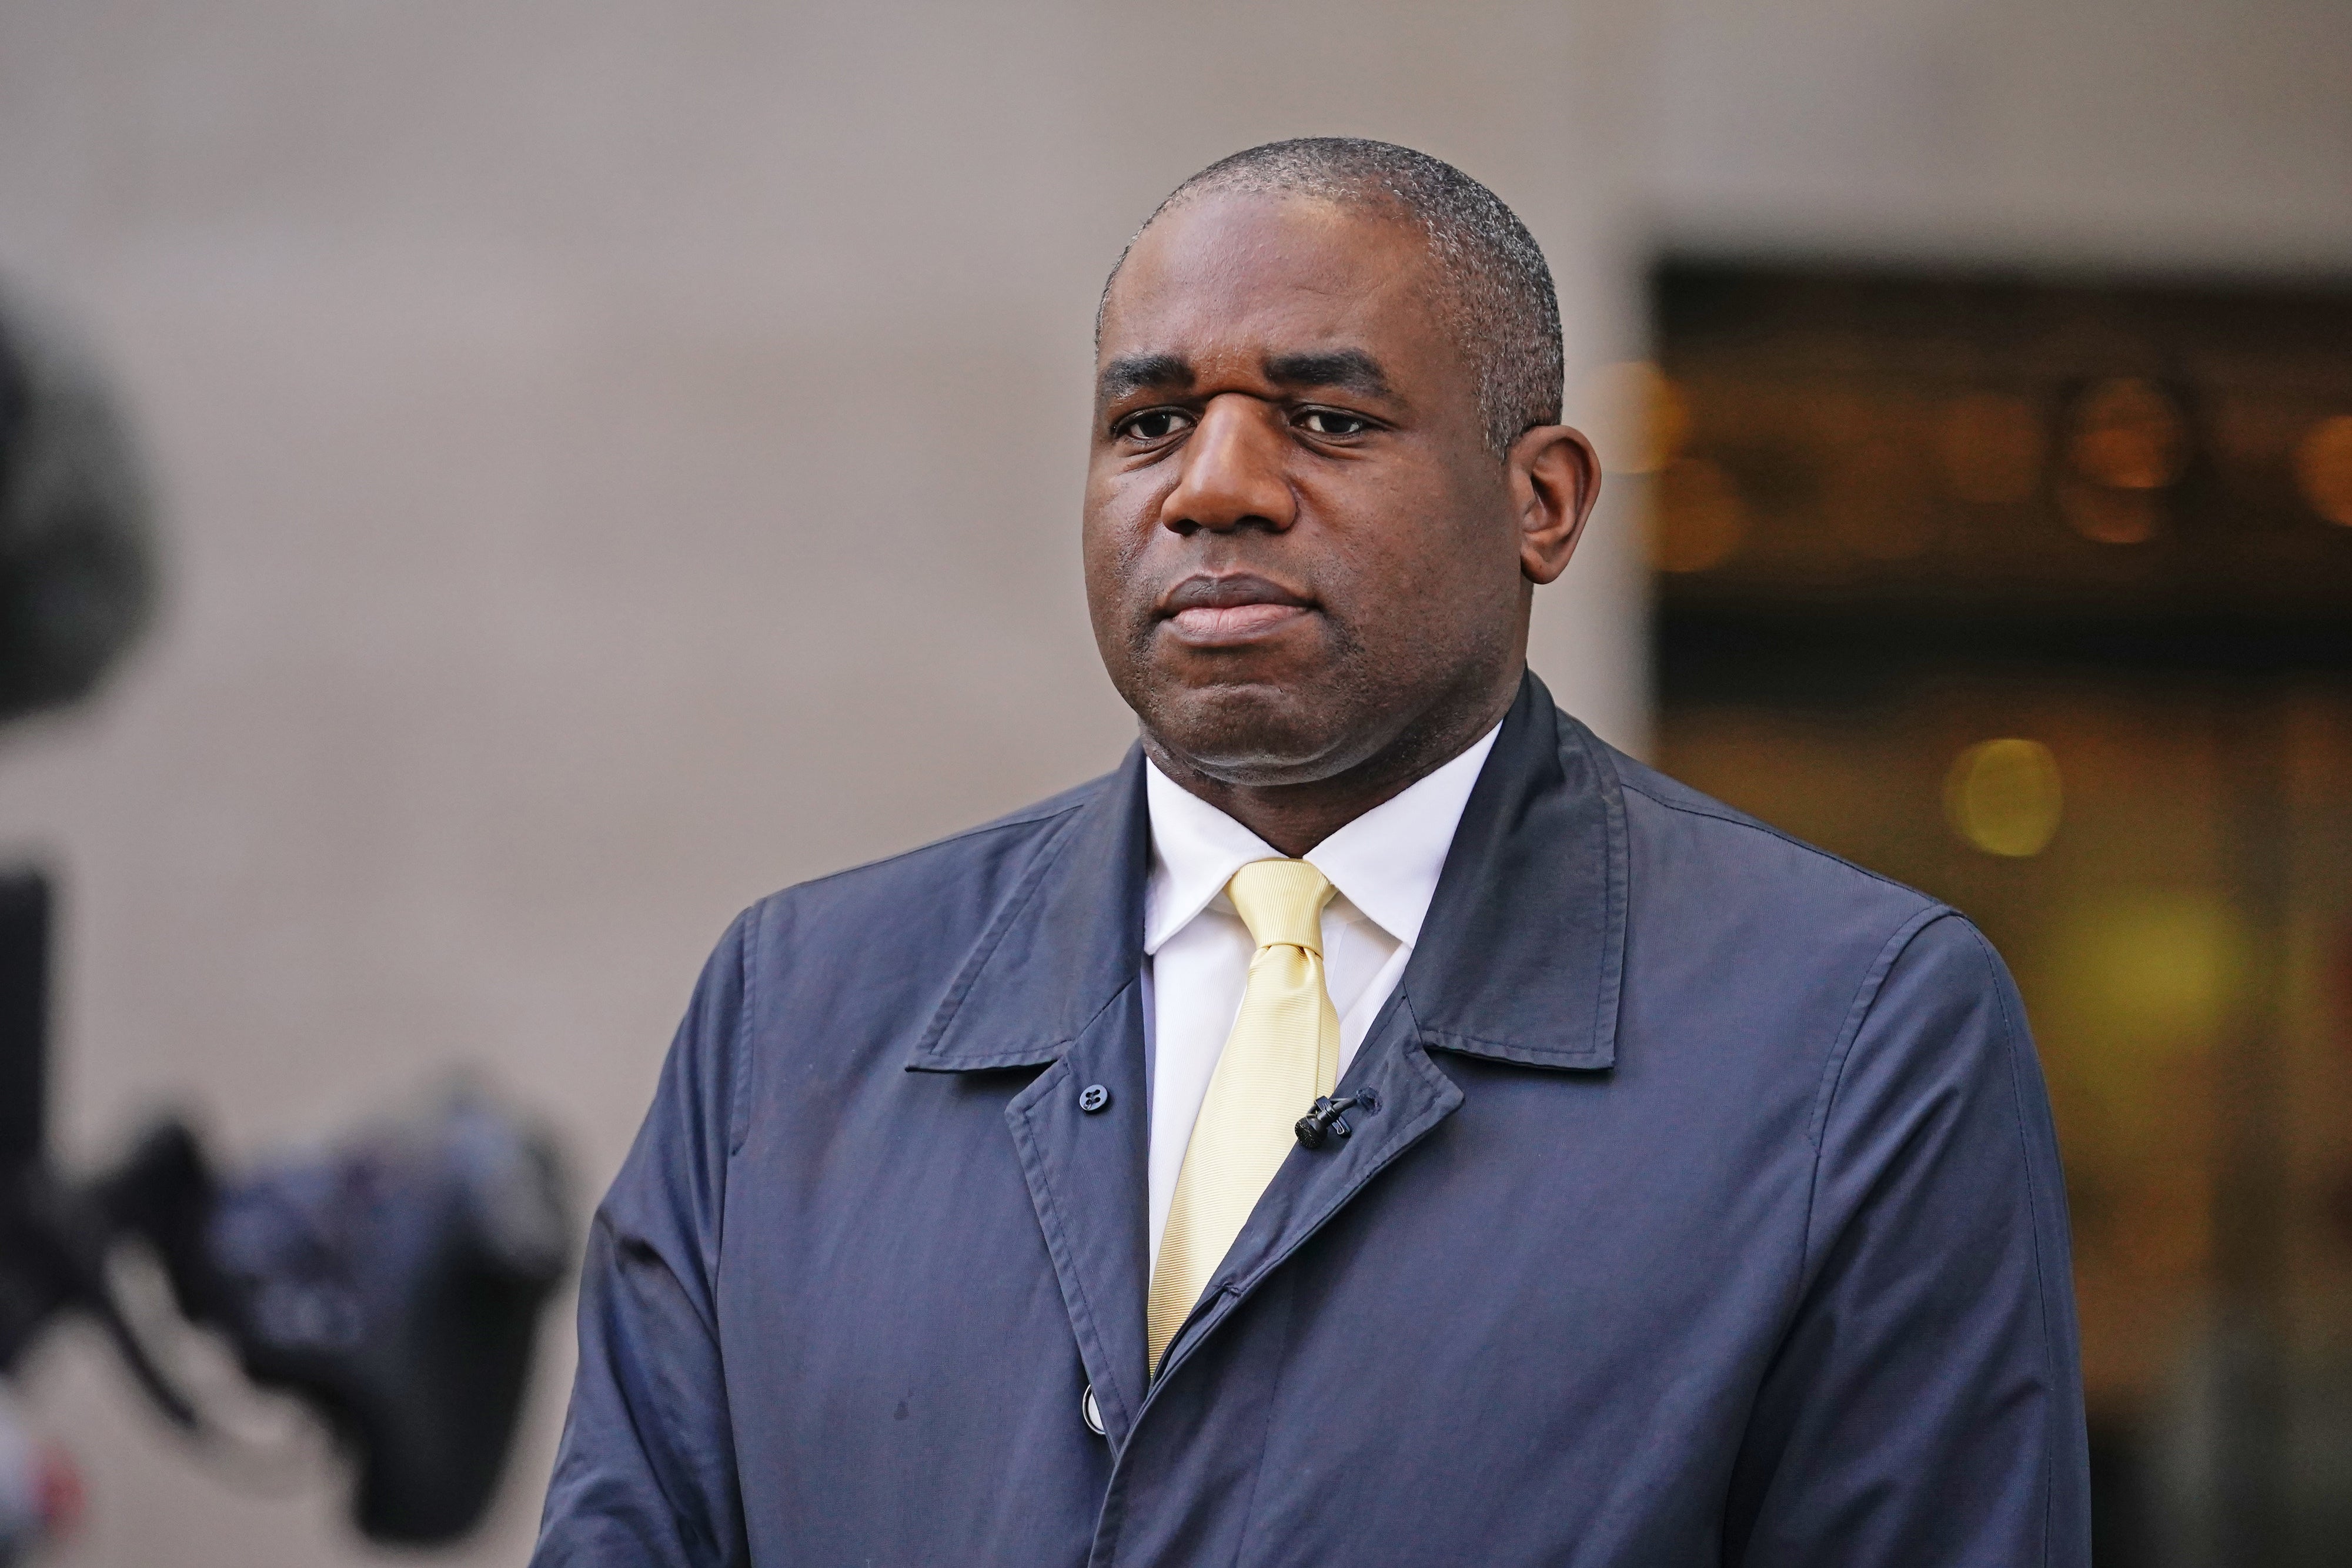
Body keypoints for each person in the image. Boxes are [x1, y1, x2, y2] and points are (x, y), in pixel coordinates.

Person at [532, 138, 2090, 1567]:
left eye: (1328, 420)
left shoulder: (1855, 1033)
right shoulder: (797, 1011)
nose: (1213, 487)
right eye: (1150, 422)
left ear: (1543, 500)